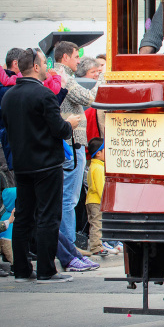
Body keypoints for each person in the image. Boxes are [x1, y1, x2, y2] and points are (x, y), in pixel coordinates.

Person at [1, 48, 81, 283]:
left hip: (22, 165)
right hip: (46, 164)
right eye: (44, 63)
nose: (47, 67)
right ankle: (47, 270)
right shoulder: (44, 95)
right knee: (48, 216)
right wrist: (71, 124)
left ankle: (22, 270)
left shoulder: (9, 96)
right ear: (35, 67)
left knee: (24, 216)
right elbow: (59, 129)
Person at [53, 41, 101, 247]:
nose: (78, 60)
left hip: (69, 143)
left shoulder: (60, 76)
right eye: (75, 56)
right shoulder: (63, 77)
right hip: (72, 143)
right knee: (69, 199)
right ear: (65, 58)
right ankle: (70, 246)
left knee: (67, 198)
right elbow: (87, 97)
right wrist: (100, 84)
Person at [85, 138, 107, 256]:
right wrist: (106, 201)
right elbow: (101, 188)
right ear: (98, 153)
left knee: (94, 223)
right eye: (104, 151)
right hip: (97, 201)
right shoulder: (99, 168)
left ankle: (97, 245)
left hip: (90, 200)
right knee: (97, 224)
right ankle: (96, 247)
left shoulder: (93, 166)